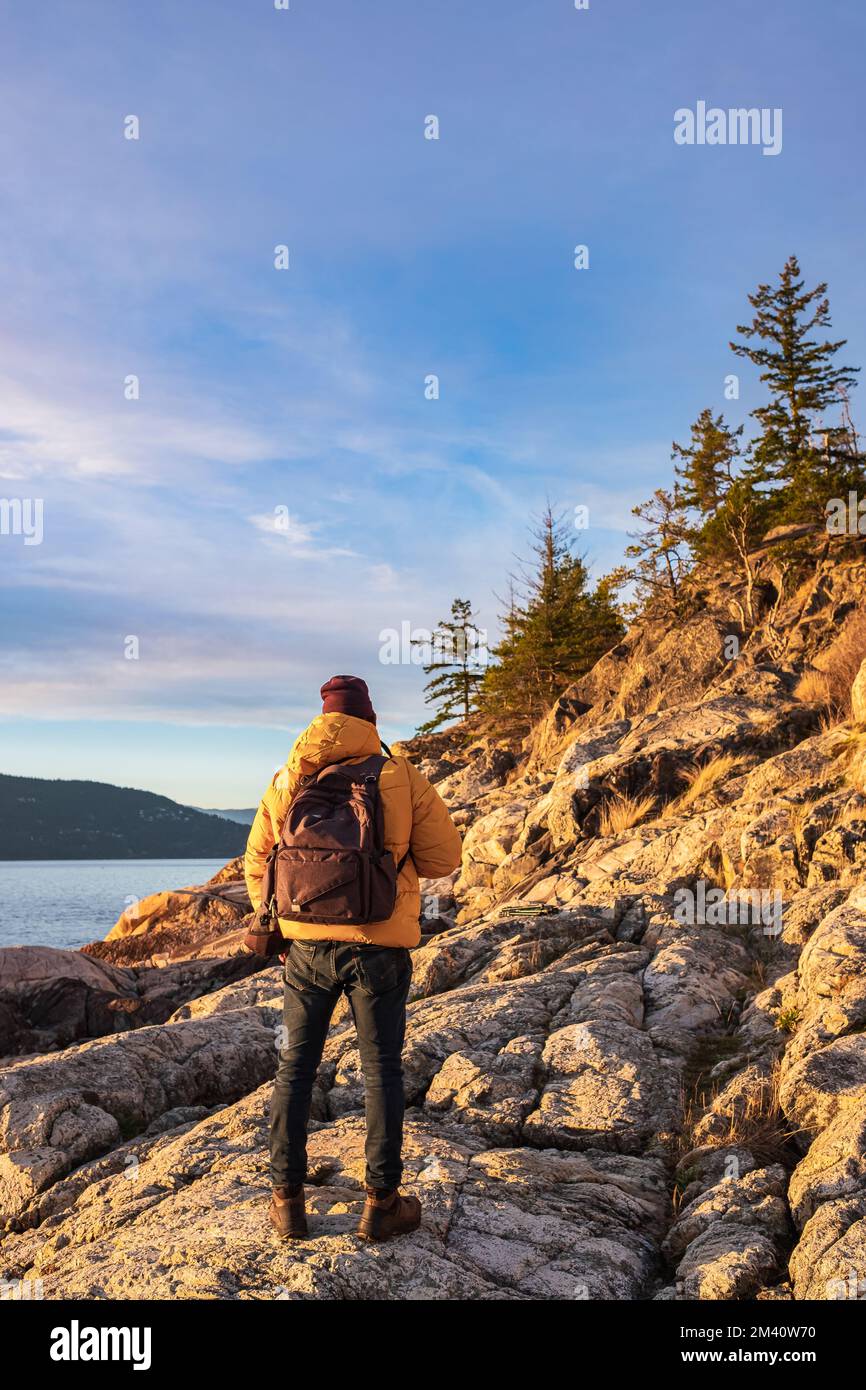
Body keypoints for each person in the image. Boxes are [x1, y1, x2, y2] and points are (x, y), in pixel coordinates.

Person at [244, 674, 462, 1243]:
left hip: (305, 950)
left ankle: (287, 1202)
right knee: (381, 1071)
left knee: (295, 1068)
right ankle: (381, 1204)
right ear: (370, 721)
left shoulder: (289, 779)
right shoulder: (399, 775)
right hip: (378, 948)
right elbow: (445, 857)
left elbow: (257, 862)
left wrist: (289, 922)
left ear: (320, 719)